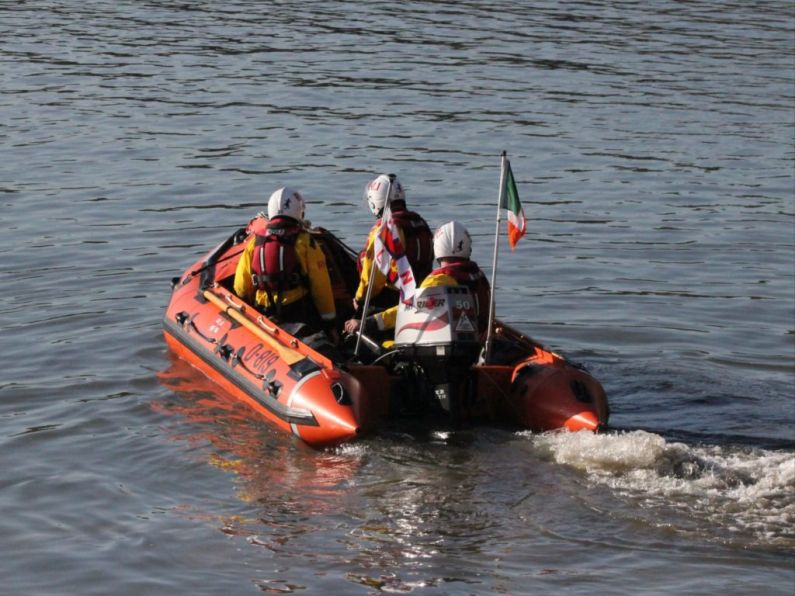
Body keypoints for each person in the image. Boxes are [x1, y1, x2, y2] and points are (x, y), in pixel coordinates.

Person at [345, 220, 490, 338]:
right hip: (479, 343)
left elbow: (407, 309)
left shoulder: (438, 281)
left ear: (437, 247)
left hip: (444, 354)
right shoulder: (480, 276)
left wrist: (368, 322)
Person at [234, 187, 337, 340]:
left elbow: (241, 287)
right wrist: (330, 323)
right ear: (298, 211)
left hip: (263, 311)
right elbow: (321, 286)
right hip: (297, 311)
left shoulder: (255, 241)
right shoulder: (305, 242)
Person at [353, 173, 434, 310]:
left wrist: (359, 299)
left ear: (375, 201)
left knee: (363, 257)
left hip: (396, 297)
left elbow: (372, 278)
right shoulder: (420, 223)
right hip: (422, 291)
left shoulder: (384, 229)